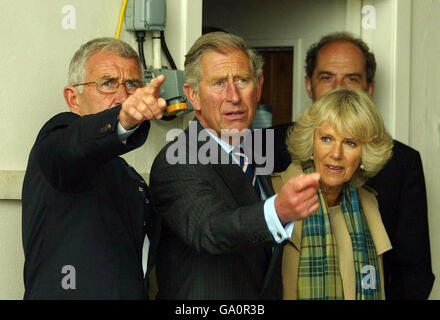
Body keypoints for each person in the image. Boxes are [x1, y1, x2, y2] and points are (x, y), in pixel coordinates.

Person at [149, 32, 321, 299]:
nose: (234, 96)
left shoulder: (253, 153)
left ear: (259, 86)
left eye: (242, 80)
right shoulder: (179, 158)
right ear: (193, 96)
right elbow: (211, 229)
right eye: (219, 83)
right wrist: (276, 212)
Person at [265, 32, 434, 299]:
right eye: (326, 77)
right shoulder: (265, 148)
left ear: (369, 87)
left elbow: (414, 271)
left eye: (352, 79)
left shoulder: (401, 162)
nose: (339, 88)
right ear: (309, 85)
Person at [22, 37, 166, 299]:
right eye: (107, 83)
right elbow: (71, 149)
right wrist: (122, 120)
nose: (123, 96)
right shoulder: (56, 139)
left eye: (132, 84)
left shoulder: (129, 177)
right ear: (73, 99)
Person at [272, 88, 393, 299]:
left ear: (365, 152)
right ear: (311, 141)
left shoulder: (369, 204)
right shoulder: (274, 194)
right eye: (327, 139)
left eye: (350, 143)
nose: (336, 154)